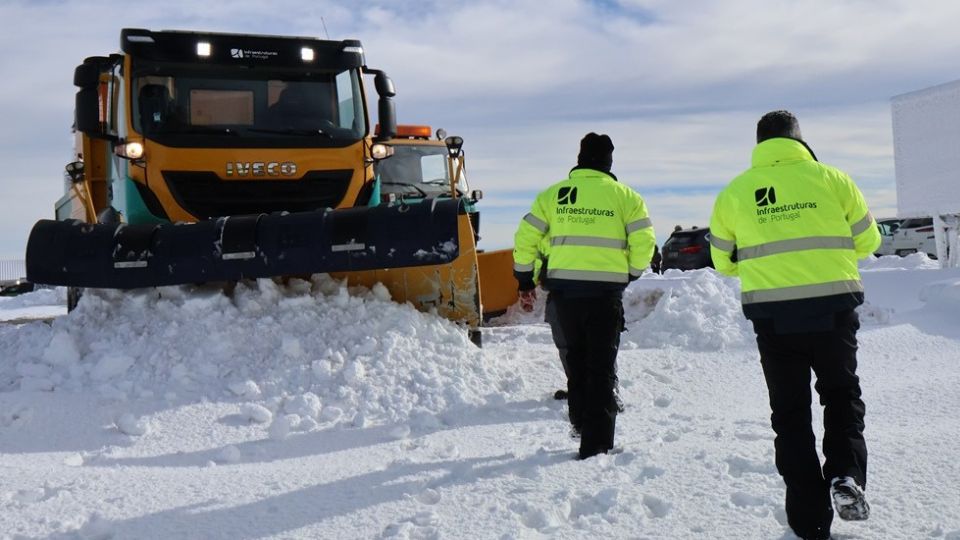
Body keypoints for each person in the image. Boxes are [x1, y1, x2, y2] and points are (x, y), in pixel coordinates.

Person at [709, 110, 880, 540]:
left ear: (760, 144)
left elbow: (721, 260)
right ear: (799, 140)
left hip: (773, 317)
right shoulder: (833, 180)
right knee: (840, 396)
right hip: (833, 310)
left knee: (789, 413)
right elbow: (870, 240)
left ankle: (808, 521)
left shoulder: (735, 192)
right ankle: (844, 473)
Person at [513, 132, 656, 460]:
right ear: (609, 161)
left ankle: (579, 421)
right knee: (601, 366)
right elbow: (644, 243)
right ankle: (597, 443)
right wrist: (630, 273)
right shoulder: (626, 197)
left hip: (564, 294)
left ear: (580, 158)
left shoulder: (553, 195)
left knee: (576, 362)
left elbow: (526, 238)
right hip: (605, 295)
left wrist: (524, 280)